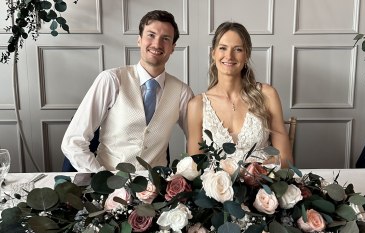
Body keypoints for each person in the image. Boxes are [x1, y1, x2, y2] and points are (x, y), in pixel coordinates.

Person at [61, 10, 194, 172]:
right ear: (139, 40)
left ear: (173, 47)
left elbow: (198, 141)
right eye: (151, 35)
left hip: (156, 188)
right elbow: (73, 141)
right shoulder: (111, 80)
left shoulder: (182, 92)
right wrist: (101, 178)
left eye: (165, 39)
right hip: (108, 185)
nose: (157, 44)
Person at [186, 22, 293, 168]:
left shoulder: (267, 95)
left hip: (263, 185)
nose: (229, 56)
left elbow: (286, 158)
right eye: (223, 48)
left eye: (238, 49)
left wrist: (262, 173)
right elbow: (195, 167)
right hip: (217, 188)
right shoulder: (197, 105)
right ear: (213, 53)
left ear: (247, 54)